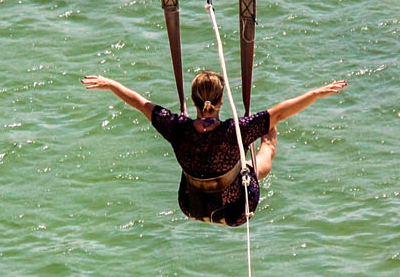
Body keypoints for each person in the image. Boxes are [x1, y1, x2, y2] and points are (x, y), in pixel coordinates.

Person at [83, 70, 347, 226]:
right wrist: (315, 93)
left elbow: (141, 103)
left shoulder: (177, 127)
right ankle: (267, 145)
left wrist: (110, 85)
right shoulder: (235, 130)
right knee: (262, 153)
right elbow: (279, 113)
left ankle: (246, 155)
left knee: (218, 159)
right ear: (222, 101)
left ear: (193, 101)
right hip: (237, 211)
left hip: (190, 205)